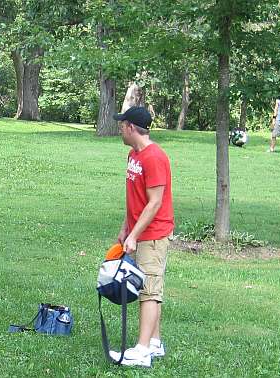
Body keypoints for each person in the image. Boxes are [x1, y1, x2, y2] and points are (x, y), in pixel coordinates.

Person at [114, 106, 174, 368]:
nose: (119, 129)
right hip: (139, 231)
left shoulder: (154, 157)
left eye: (121, 125)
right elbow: (136, 200)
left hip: (153, 234)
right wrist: (125, 227)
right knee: (149, 287)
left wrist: (135, 235)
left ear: (130, 127)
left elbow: (155, 202)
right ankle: (154, 342)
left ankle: (141, 351)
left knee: (149, 292)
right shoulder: (133, 155)